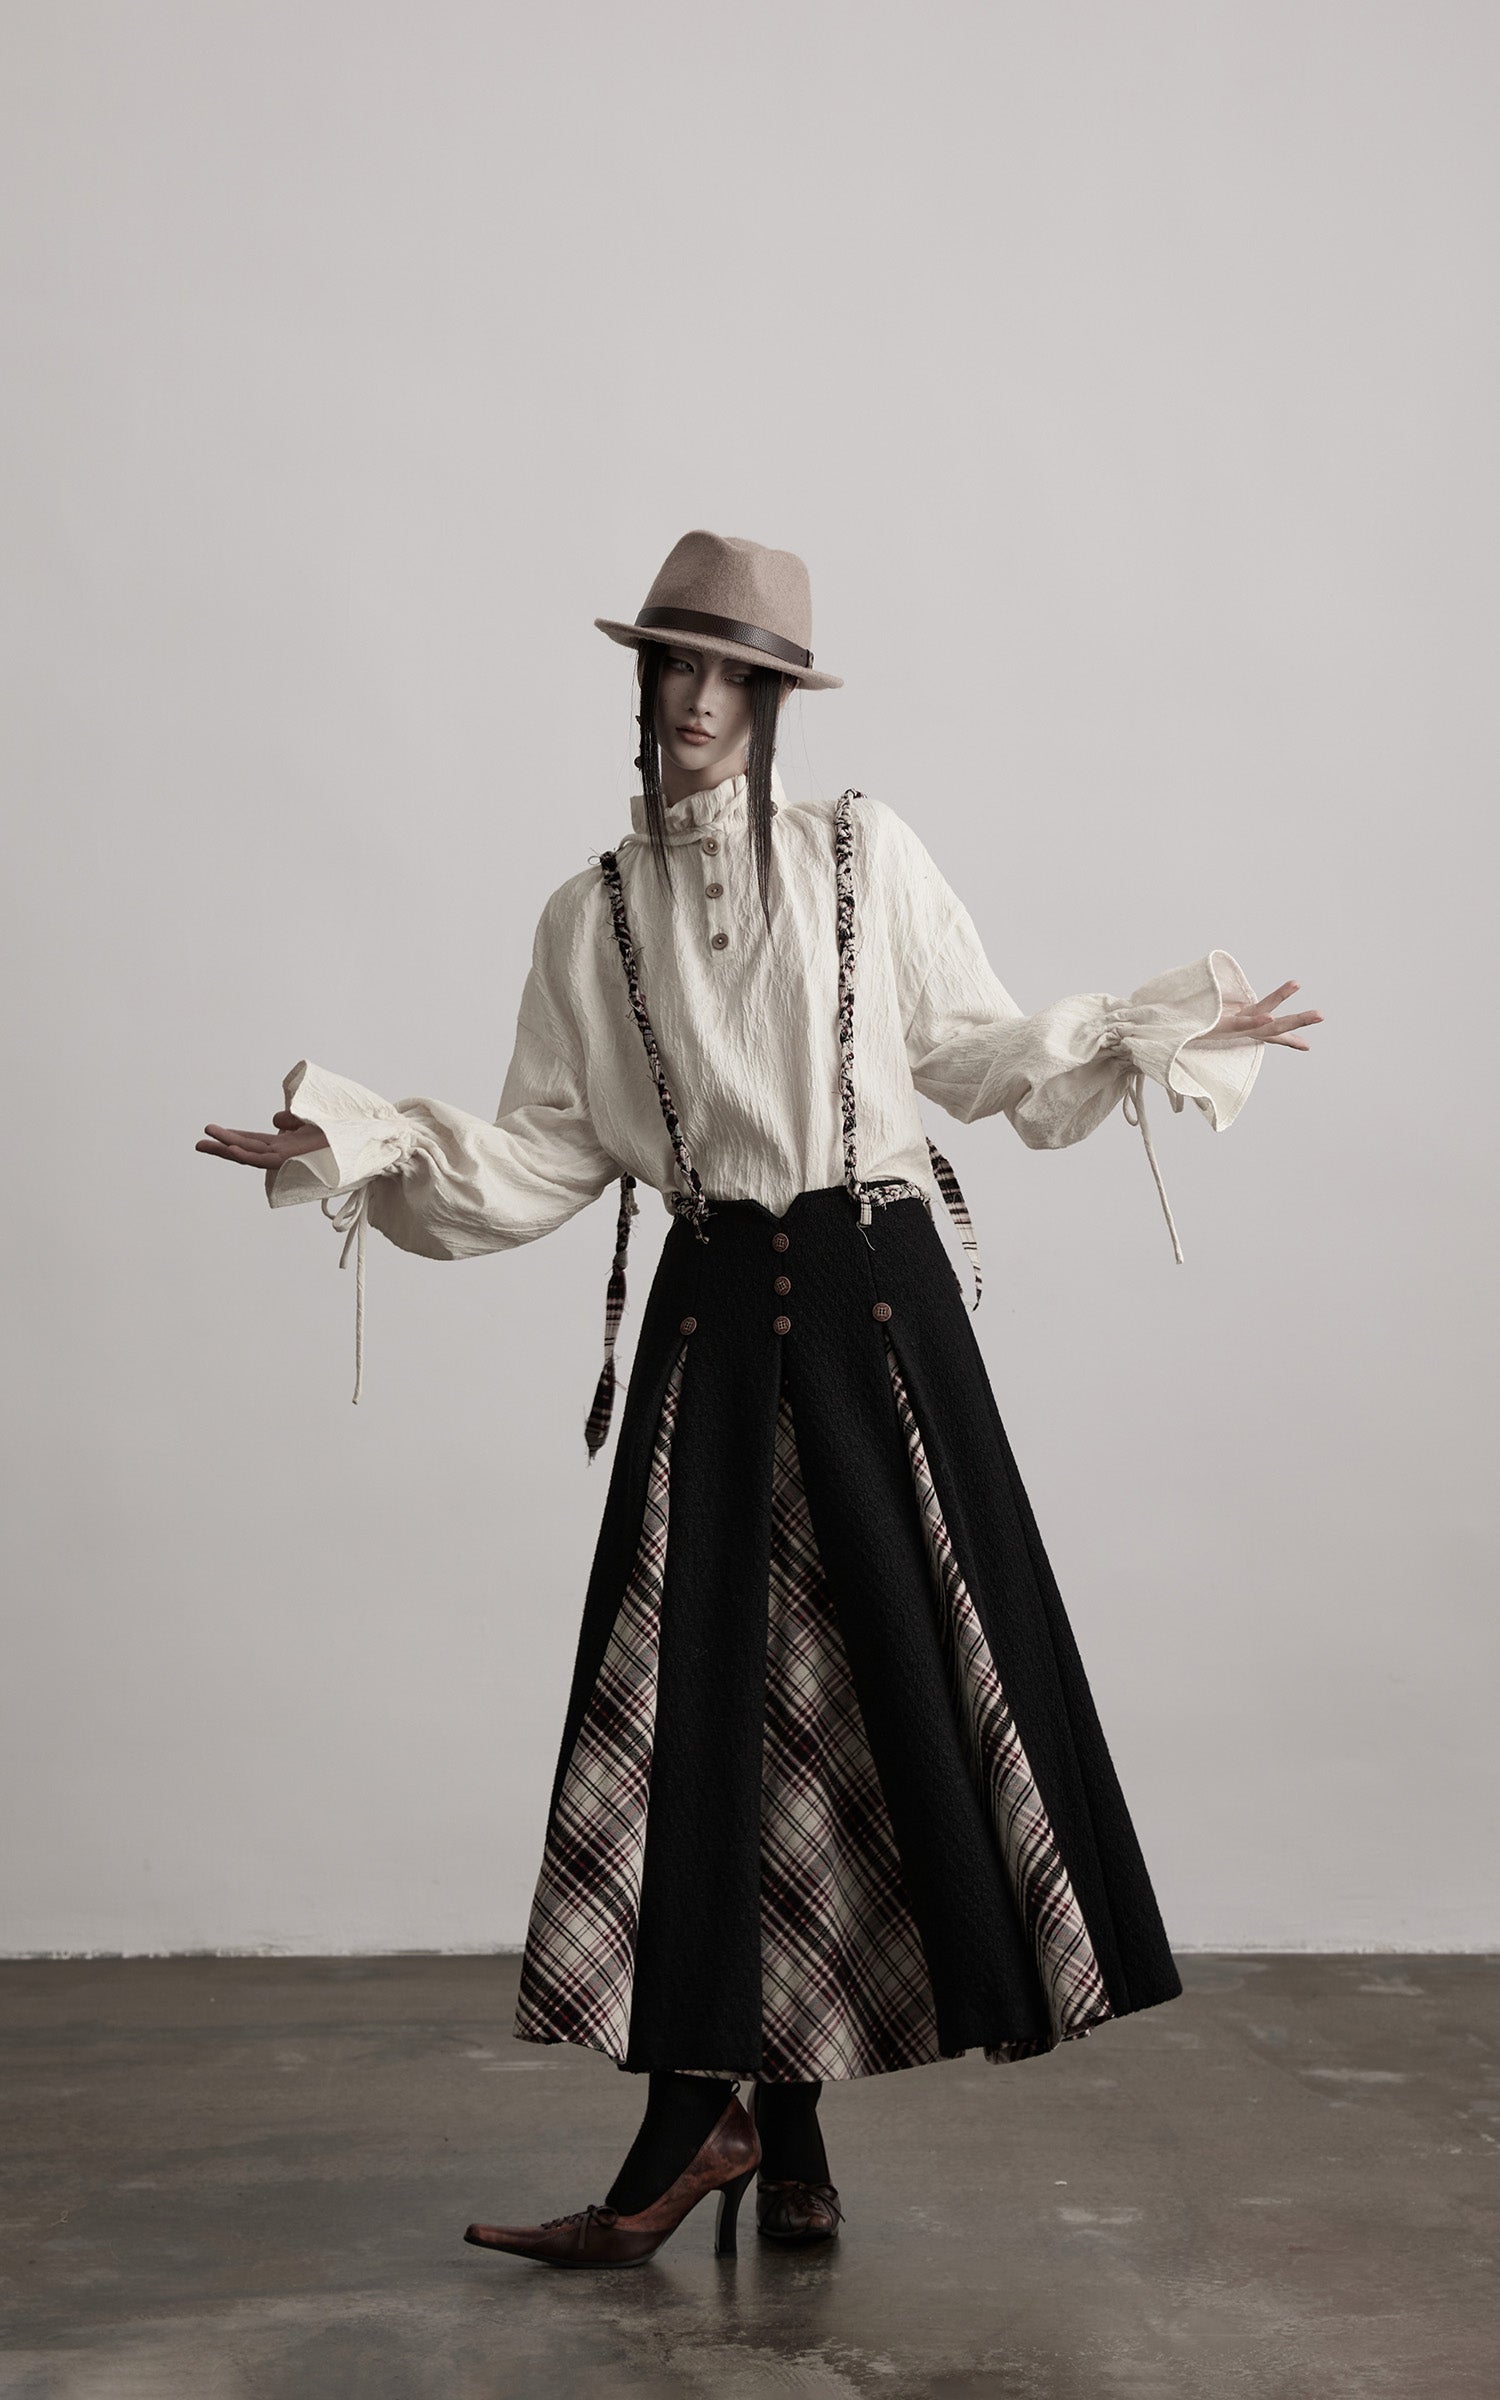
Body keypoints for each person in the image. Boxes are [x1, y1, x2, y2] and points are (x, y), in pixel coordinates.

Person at [198, 528, 1320, 2270]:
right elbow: (545, 1152)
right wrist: (365, 1149)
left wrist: (1146, 1031)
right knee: (717, 1710)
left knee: (867, 1705)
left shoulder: (863, 853)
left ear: (779, 698)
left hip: (875, 1313)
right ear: (642, 678)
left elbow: (975, 1054)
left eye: (739, 673)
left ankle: (758, 2128)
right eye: (678, 663)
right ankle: (737, 2127)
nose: (702, 699)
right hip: (717, 1320)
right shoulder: (591, 915)